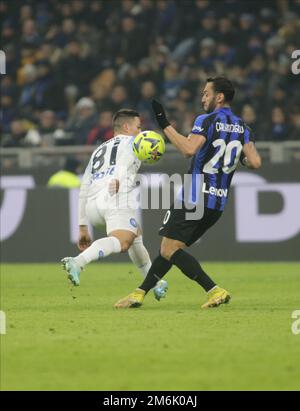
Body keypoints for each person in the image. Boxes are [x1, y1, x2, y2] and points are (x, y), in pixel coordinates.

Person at [114, 77, 262, 309]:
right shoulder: (243, 127)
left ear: (219, 97)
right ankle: (139, 293)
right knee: (171, 250)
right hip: (217, 204)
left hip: (194, 197)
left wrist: (163, 123)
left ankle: (214, 290)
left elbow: (188, 149)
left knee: (169, 249)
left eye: (206, 93)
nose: (203, 98)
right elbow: (254, 162)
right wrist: (237, 157)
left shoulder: (207, 120)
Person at [61, 109, 168, 300]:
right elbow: (124, 162)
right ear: (127, 127)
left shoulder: (98, 150)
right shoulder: (133, 142)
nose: (140, 131)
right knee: (124, 240)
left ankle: (154, 281)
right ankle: (78, 262)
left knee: (135, 233)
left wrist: (83, 225)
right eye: (138, 127)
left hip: (93, 204)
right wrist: (118, 180)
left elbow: (84, 185)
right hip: (114, 196)